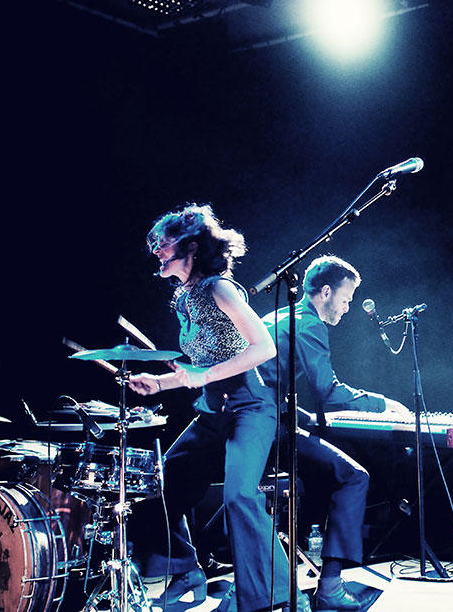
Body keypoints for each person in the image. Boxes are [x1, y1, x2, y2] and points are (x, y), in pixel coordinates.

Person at [128, 203, 310, 612]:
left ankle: (281, 599)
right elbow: (199, 369)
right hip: (212, 414)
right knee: (159, 488)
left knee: (240, 496)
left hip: (250, 408)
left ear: (190, 247)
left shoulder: (218, 288)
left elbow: (263, 348)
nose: (156, 250)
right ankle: (184, 567)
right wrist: (159, 382)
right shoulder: (184, 298)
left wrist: (205, 375)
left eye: (164, 243)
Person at [258, 255, 412, 611]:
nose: (347, 308)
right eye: (345, 299)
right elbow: (328, 391)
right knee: (354, 476)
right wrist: (382, 404)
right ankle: (329, 587)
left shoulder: (276, 317)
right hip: (264, 427)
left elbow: (269, 385)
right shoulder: (309, 324)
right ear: (325, 292)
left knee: (326, 465)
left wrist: (307, 419)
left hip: (258, 419)